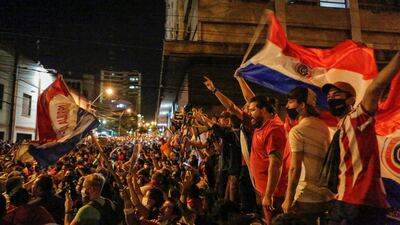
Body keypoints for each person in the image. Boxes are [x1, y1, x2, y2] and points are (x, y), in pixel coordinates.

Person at [322, 51, 400, 225]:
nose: (331, 99)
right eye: (329, 96)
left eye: (336, 95)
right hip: (346, 199)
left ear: (351, 101)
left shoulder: (357, 119)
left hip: (359, 201)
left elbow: (376, 87)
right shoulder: (341, 127)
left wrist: (396, 61)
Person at [281, 87, 334, 225]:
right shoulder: (323, 126)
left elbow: (295, 168)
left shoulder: (298, 131)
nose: (287, 106)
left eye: (291, 102)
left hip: (306, 196)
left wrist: (288, 198)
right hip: (326, 196)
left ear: (302, 105)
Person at [248, 95, 286, 225]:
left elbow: (276, 164)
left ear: (264, 110)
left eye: (252, 110)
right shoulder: (261, 125)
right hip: (265, 188)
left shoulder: (273, 129)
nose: (249, 113)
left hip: (274, 193)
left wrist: (269, 195)